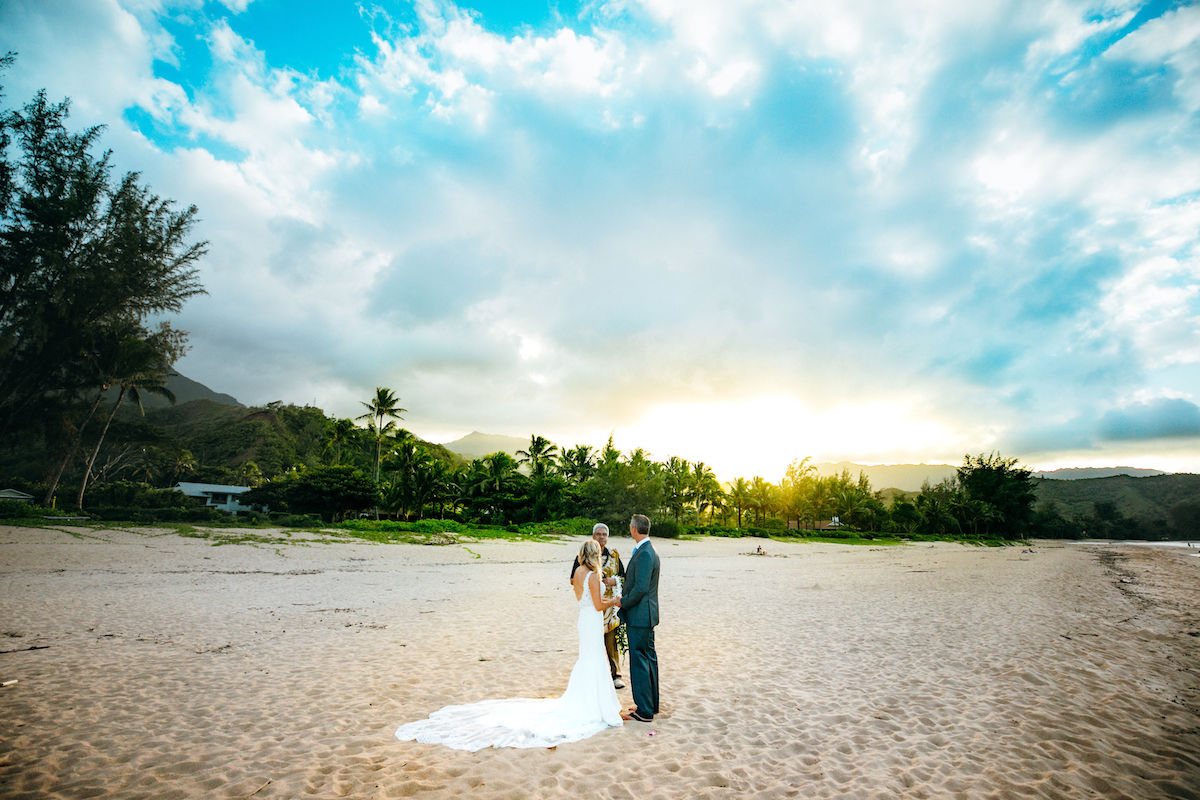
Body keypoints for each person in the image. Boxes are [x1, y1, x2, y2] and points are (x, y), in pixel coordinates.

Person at [394, 539, 622, 750]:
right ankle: (592, 705)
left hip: (584, 619)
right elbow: (598, 605)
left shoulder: (577, 573)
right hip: (592, 620)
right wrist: (614, 601)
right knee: (593, 660)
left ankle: (587, 699)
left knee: (588, 659)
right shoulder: (592, 575)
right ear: (594, 554)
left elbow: (584, 600)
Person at [568, 523, 626, 688]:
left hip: (607, 610)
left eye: (604, 534)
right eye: (598, 534)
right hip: (596, 607)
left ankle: (616, 674)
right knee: (593, 647)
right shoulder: (582, 560)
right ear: (593, 537)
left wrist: (614, 581)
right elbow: (574, 580)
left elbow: (625, 577)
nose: (601, 537)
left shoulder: (613, 556)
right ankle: (595, 680)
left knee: (611, 642)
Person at [617, 513, 660, 723]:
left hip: (640, 616)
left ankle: (644, 711)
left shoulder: (644, 553)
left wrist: (623, 602)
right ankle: (651, 704)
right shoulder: (649, 550)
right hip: (647, 615)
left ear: (634, 529)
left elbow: (641, 588)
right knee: (649, 659)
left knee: (640, 661)